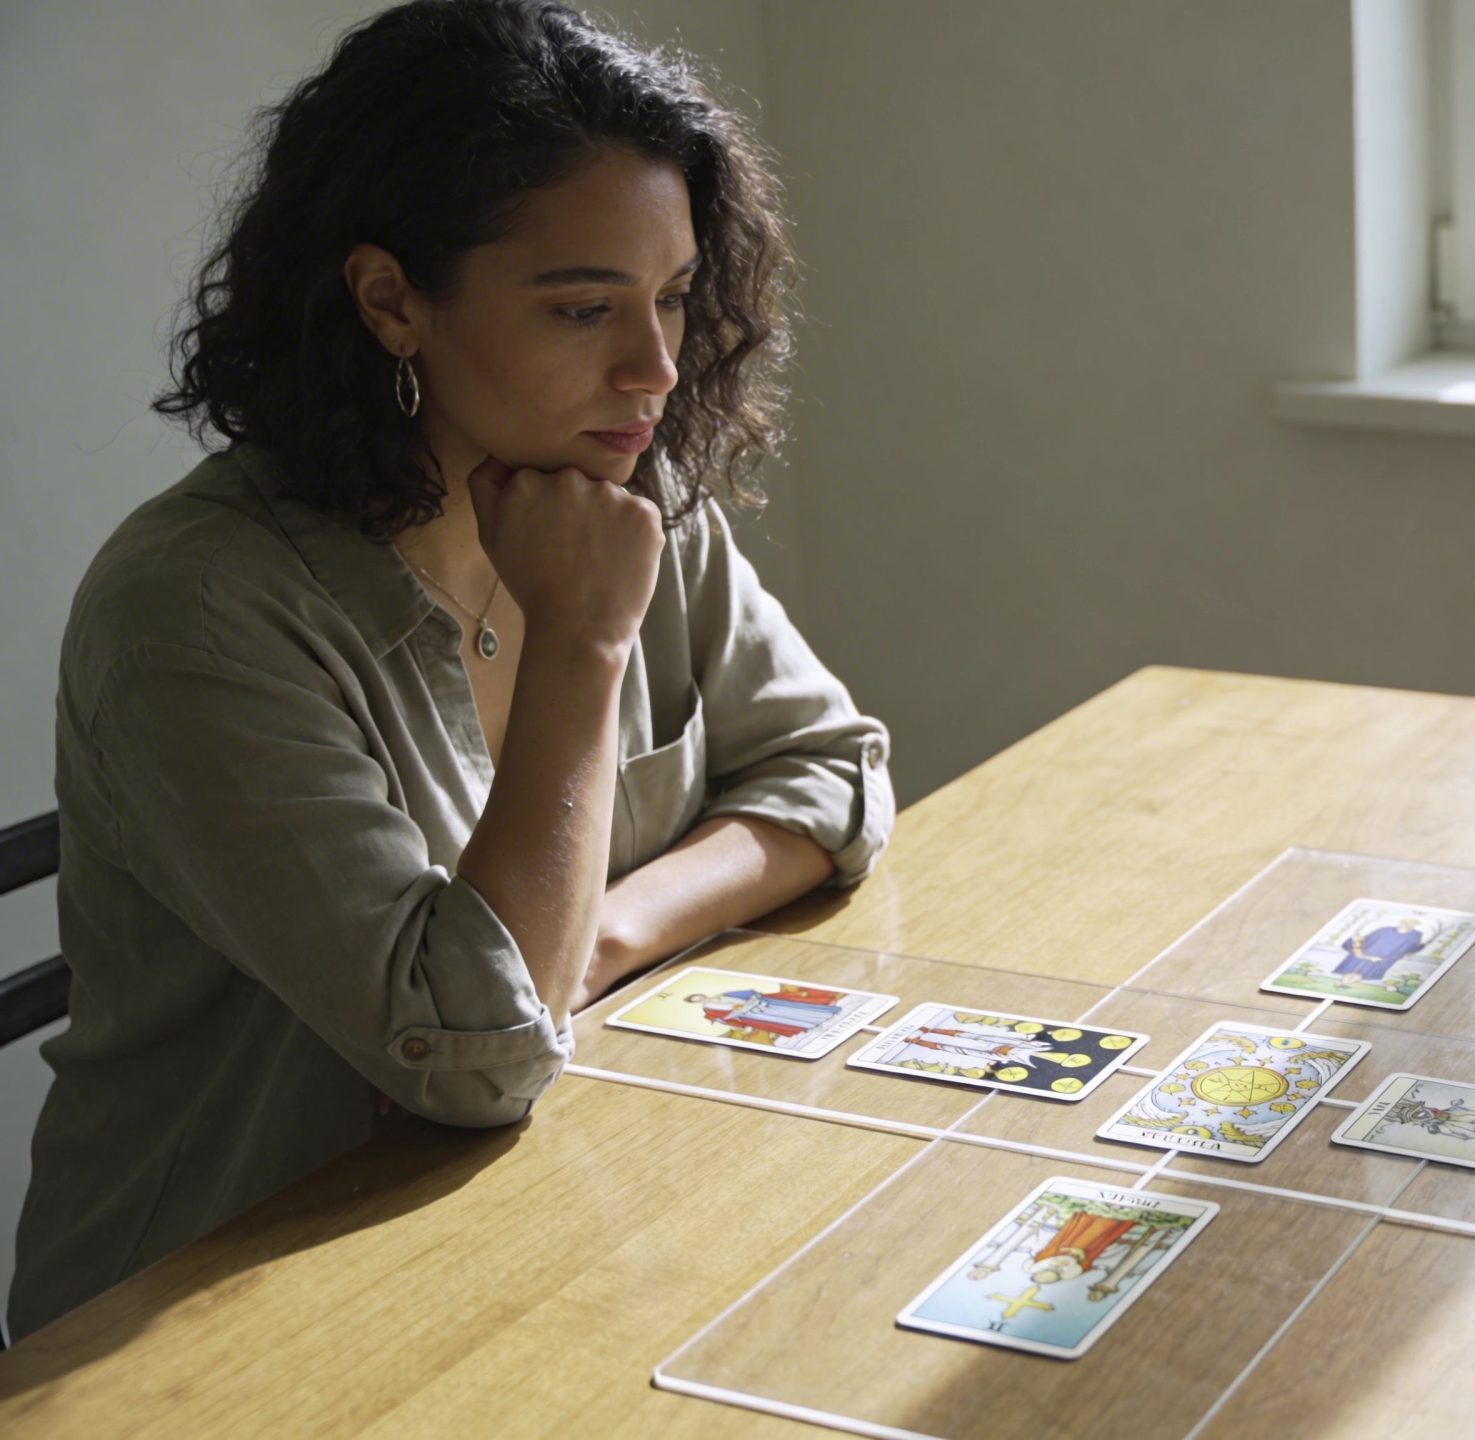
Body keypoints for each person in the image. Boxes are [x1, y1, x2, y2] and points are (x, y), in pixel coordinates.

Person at [8, 0, 893, 1338]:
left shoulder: (617, 484)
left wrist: (599, 939)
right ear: (388, 299)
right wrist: (585, 650)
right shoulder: (194, 613)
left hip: (527, 1222)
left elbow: (832, 771)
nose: (654, 369)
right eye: (586, 307)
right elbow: (478, 1052)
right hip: (206, 1311)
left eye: (672, 299)